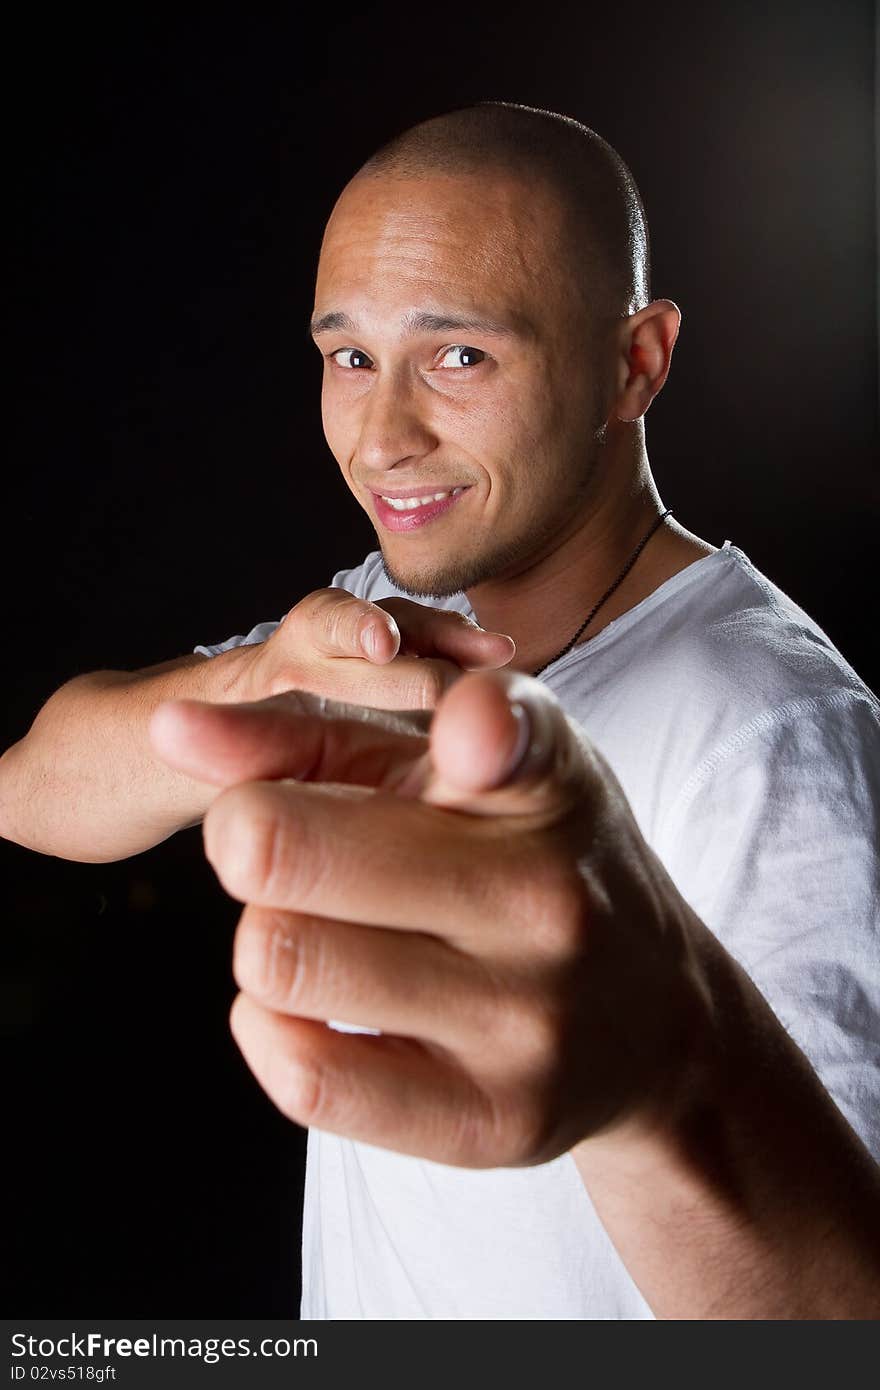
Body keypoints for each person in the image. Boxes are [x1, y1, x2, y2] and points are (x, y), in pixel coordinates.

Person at [2, 102, 879, 1320]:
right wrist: (267, 682)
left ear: (635, 363)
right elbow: (32, 795)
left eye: (458, 356)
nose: (381, 437)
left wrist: (663, 1073)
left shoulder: (769, 724)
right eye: (350, 358)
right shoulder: (376, 612)